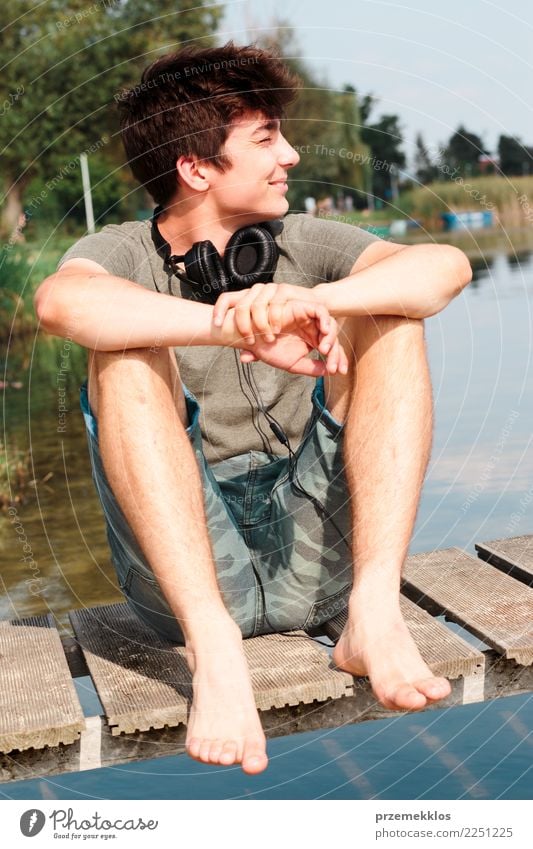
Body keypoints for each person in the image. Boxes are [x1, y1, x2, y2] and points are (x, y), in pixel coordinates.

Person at [34, 41, 472, 776]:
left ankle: (373, 611)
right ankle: (217, 655)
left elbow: (446, 268)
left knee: (394, 313)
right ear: (197, 167)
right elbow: (60, 301)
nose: (292, 155)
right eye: (266, 138)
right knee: (121, 349)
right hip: (188, 581)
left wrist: (307, 300)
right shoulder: (120, 251)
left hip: (320, 551)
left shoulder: (305, 242)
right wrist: (235, 323)